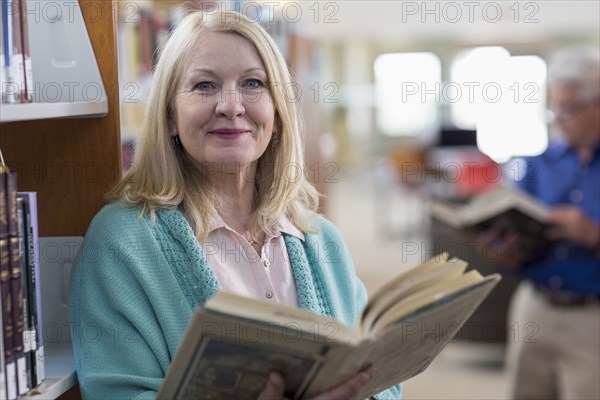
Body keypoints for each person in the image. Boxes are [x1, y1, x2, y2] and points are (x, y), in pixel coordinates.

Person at [68, 10, 401, 400]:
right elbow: (117, 393)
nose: (231, 105)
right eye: (205, 85)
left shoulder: (321, 239)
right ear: (170, 116)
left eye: (253, 83)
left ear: (276, 115)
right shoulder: (120, 241)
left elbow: (382, 380)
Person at [488, 45, 600, 399]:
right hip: (533, 307)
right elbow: (511, 231)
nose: (559, 119)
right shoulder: (537, 164)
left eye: (569, 109)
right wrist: (501, 247)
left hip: (591, 316)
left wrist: (593, 235)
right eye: (555, 108)